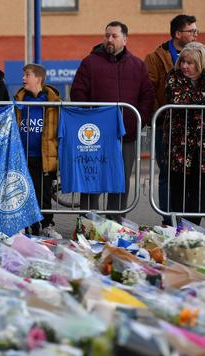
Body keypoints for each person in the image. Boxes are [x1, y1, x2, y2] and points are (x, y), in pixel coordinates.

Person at [70, 21, 155, 222]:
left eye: (114, 36)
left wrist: (136, 122)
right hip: (96, 138)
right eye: (107, 35)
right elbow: (78, 92)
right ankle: (88, 224)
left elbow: (147, 96)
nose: (109, 39)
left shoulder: (137, 65)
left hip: (125, 135)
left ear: (125, 39)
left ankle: (115, 224)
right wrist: (91, 120)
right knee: (93, 180)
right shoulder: (90, 63)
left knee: (121, 182)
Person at [144, 14, 198, 225]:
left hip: (195, 129)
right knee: (168, 174)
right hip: (166, 126)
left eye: (196, 30)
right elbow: (149, 91)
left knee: (193, 175)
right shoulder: (156, 57)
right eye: (191, 31)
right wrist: (156, 117)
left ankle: (191, 221)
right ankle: (168, 220)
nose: (196, 34)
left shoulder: (200, 54)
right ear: (178, 34)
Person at [14, 64, 62, 239]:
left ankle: (47, 225)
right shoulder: (19, 100)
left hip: (45, 156)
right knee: (25, 191)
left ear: (38, 79)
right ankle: (29, 226)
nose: (23, 79)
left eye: (27, 75)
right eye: (23, 75)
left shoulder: (52, 102)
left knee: (44, 192)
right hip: (24, 155)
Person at [163, 42, 205, 224]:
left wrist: (195, 96)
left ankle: (193, 230)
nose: (185, 66)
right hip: (179, 145)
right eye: (183, 62)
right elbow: (179, 98)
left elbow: (189, 97)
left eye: (190, 63)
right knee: (178, 188)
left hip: (201, 146)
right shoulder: (173, 76)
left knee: (200, 189)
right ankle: (177, 227)